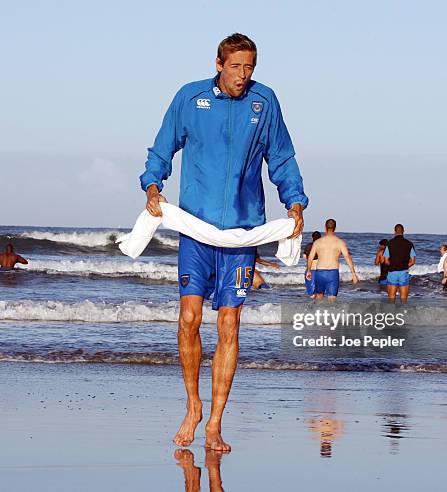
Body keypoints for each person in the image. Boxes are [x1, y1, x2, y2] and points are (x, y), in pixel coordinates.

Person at [140, 33, 308, 451]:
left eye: (250, 67)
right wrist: (152, 184)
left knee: (229, 324)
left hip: (242, 230)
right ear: (219, 63)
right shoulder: (190, 98)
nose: (243, 75)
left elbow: (282, 156)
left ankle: (214, 422)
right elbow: (163, 148)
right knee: (189, 320)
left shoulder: (264, 102)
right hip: (195, 229)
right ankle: (193, 406)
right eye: (236, 67)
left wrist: (295, 201)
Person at [305, 219, 359, 301]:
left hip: (320, 272)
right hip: (332, 274)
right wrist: (353, 274)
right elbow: (347, 257)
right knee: (332, 300)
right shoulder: (340, 242)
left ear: (325, 227)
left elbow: (310, 257)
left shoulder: (318, 242)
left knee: (318, 298)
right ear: (335, 228)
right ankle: (331, 313)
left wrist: (309, 271)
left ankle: (317, 313)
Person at [384, 224, 416, 303]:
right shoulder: (409, 244)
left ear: (394, 232)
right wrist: (404, 266)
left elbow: (386, 260)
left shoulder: (389, 243)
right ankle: (403, 313)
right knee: (404, 299)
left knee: (391, 298)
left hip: (392, 272)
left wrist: (392, 265)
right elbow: (413, 261)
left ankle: (391, 314)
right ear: (403, 231)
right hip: (404, 272)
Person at [303, 231, 321, 296]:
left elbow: (304, 257)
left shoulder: (309, 246)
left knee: (311, 293)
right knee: (320, 293)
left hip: (310, 270)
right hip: (321, 270)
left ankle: (313, 305)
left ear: (312, 237)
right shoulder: (322, 246)